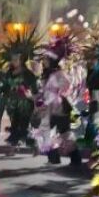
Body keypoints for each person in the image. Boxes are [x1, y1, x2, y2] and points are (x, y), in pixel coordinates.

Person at [33, 37, 82, 166]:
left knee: (63, 133)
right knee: (49, 132)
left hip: (58, 109)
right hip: (50, 109)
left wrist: (55, 94)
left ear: (52, 60)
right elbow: (45, 91)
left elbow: (67, 85)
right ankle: (56, 158)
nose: (44, 62)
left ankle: (73, 157)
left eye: (46, 59)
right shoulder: (48, 74)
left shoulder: (59, 74)